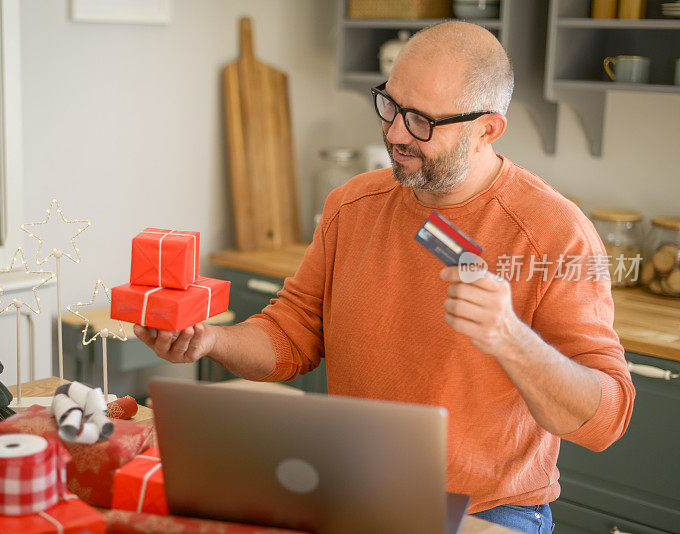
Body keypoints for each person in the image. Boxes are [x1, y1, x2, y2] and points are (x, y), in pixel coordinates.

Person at [133, 21, 635, 533]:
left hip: (490, 511)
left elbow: (606, 420)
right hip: (354, 491)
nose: (395, 132)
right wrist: (209, 340)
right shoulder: (352, 205)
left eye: (421, 121)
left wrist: (511, 339)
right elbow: (291, 334)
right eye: (391, 105)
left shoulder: (557, 234)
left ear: (486, 129)